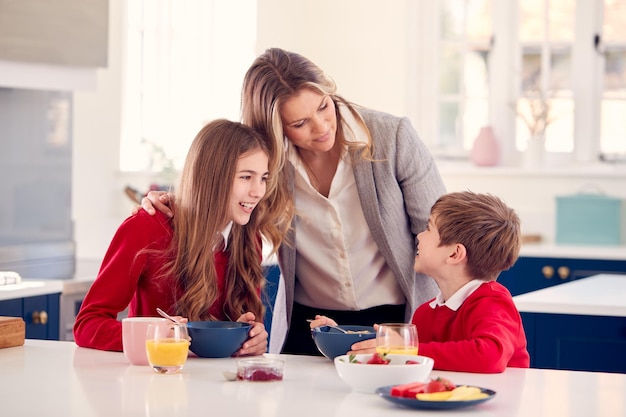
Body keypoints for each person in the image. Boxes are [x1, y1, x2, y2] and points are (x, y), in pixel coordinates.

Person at [139, 47, 446, 355]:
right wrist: (177, 200)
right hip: (307, 326)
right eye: (299, 124)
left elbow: (443, 232)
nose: (322, 127)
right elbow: (222, 182)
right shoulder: (268, 161)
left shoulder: (392, 137)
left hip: (392, 323)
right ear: (275, 128)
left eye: (324, 106)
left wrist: (448, 323)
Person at [74, 119, 291, 356]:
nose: (258, 191)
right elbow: (88, 324)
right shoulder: (147, 228)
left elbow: (245, 328)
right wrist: (154, 336)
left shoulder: (249, 239)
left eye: (263, 178)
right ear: (212, 177)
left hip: (222, 387)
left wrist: (252, 338)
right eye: (246, 177)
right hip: (155, 384)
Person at [313, 191, 530, 373]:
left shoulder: (492, 301)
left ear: (455, 254)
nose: (419, 236)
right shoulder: (426, 313)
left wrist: (407, 349)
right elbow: (407, 354)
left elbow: (488, 356)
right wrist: (338, 335)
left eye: (428, 228)